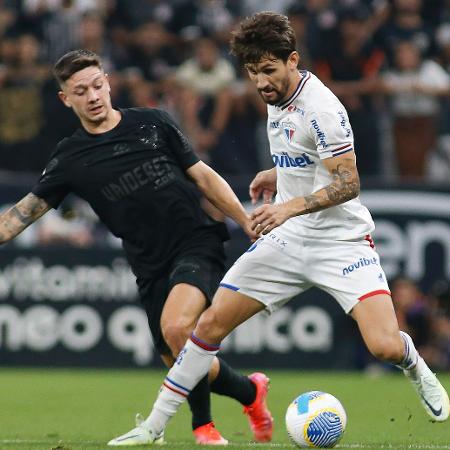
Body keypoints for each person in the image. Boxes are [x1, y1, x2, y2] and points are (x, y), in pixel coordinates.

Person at [107, 11, 450, 446]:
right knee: (208, 325)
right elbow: (305, 156)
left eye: (268, 70)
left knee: (382, 346)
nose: (261, 82)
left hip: (339, 242)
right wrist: (276, 172)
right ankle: (152, 428)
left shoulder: (322, 107)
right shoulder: (275, 97)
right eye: (252, 73)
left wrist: (288, 207)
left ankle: (415, 364)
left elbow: (349, 182)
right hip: (288, 241)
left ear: (292, 59)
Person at [0, 49, 274, 446]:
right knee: (180, 359)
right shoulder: (70, 158)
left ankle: (203, 427)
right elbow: (20, 215)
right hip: (148, 265)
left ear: (108, 82)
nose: (93, 96)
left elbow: (202, 176)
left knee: (180, 329)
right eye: (81, 90)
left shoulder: (152, 123)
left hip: (196, 241)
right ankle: (251, 392)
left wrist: (243, 217)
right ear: (66, 99)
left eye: (97, 85)